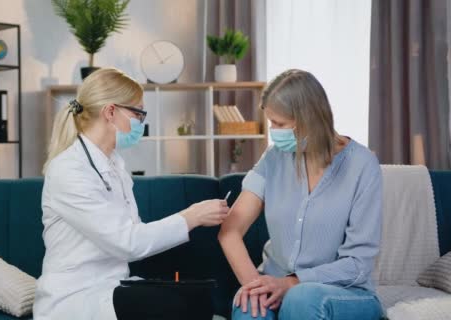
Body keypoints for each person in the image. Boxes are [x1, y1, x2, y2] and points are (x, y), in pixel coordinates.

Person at [33, 67, 229, 320]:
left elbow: (132, 234)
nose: (142, 121)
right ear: (110, 111)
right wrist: (191, 216)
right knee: (182, 307)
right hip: (75, 297)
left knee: (197, 300)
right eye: (138, 112)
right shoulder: (69, 170)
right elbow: (128, 243)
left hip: (112, 286)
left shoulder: (114, 164)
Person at [218, 69, 384, 320]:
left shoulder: (362, 166)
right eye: (271, 122)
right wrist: (257, 287)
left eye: (280, 124)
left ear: (309, 119)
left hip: (343, 292)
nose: (273, 131)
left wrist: (291, 284)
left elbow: (358, 265)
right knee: (249, 310)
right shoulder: (273, 159)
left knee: (301, 299)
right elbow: (230, 231)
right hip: (276, 283)